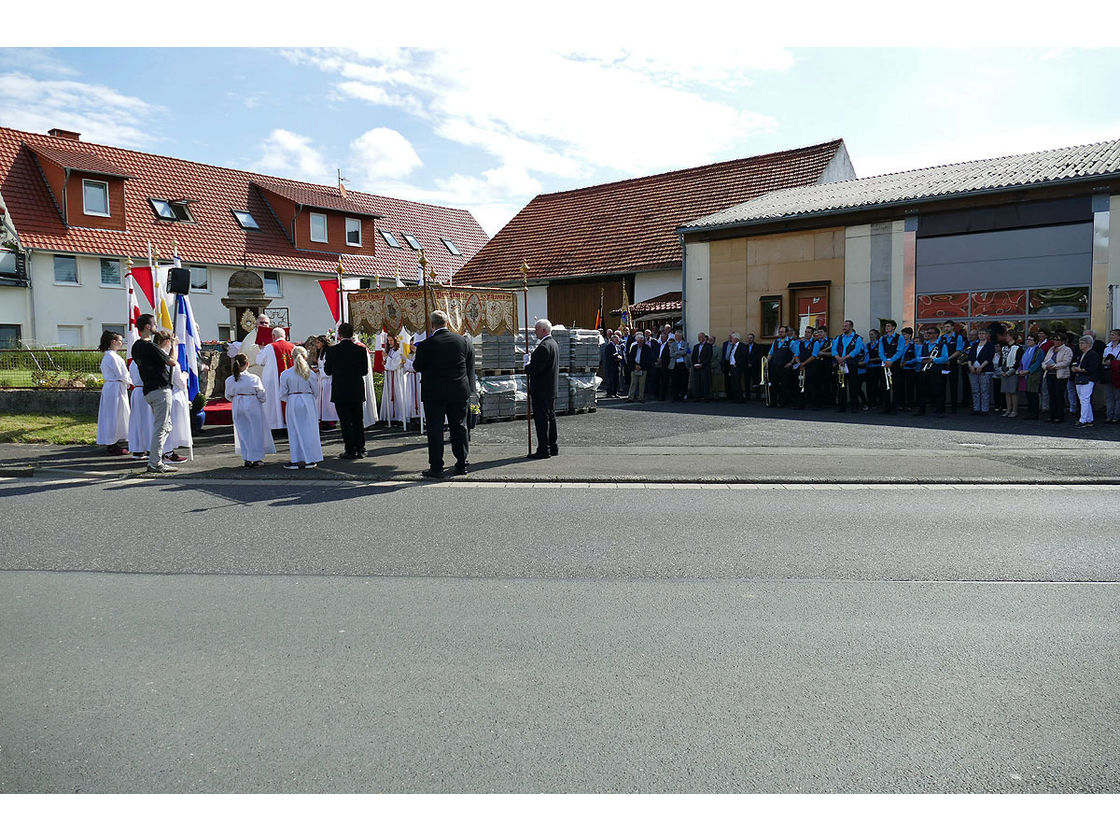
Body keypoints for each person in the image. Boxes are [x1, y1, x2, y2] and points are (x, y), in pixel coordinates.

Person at [412, 309, 475, 477]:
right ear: (447, 323)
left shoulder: (426, 345)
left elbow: (417, 366)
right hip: (458, 390)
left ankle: (437, 467)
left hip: (435, 393)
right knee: (460, 427)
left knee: (435, 430)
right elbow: (469, 364)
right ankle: (462, 464)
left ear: (432, 325)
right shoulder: (463, 341)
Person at [130, 315, 179, 473]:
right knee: (161, 427)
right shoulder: (150, 346)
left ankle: (155, 458)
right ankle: (155, 462)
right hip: (159, 389)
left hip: (149, 390)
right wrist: (174, 346)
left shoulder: (135, 347)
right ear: (147, 327)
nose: (156, 327)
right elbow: (172, 362)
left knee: (166, 426)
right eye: (154, 324)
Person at [324, 321, 369, 459]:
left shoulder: (332, 350)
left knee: (345, 421)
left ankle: (350, 449)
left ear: (339, 334)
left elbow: (327, 371)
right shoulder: (360, 350)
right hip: (355, 388)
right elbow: (364, 371)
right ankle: (361, 448)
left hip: (340, 389)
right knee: (357, 420)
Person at [224, 353, 274, 467]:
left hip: (237, 403)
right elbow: (261, 394)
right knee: (255, 431)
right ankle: (257, 458)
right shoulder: (253, 378)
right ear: (247, 364)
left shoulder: (230, 380)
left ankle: (246, 457)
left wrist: (237, 399)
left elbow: (228, 395)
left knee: (243, 431)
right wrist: (260, 400)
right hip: (252, 403)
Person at [279, 346, 323, 468]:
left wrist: (292, 399)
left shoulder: (285, 374)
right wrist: (307, 398)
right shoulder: (310, 373)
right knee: (309, 430)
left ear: (292, 357)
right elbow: (316, 391)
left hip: (293, 400)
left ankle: (296, 459)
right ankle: (310, 459)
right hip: (307, 400)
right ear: (305, 357)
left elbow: (282, 393)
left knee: (294, 431)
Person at [525, 318, 560, 459]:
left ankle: (543, 449)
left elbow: (535, 368)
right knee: (550, 418)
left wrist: (526, 365)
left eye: (536, 329)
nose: (535, 332)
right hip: (550, 388)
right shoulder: (553, 344)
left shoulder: (544, 346)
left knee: (541, 420)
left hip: (541, 390)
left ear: (544, 330)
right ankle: (553, 446)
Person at [95, 330, 130, 455]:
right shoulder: (112, 356)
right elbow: (122, 374)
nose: (122, 343)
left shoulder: (110, 356)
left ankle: (115, 440)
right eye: (120, 341)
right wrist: (132, 381)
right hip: (114, 388)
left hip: (114, 387)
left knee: (117, 415)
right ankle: (112, 442)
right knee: (113, 416)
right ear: (113, 342)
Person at [258, 326, 295, 430]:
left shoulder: (270, 347)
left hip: (273, 381)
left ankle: (275, 425)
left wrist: (261, 349)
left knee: (273, 402)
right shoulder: (293, 347)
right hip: (290, 381)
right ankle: (288, 424)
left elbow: (260, 361)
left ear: (273, 336)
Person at [831, 321, 864, 413]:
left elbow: (857, 350)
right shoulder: (839, 337)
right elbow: (834, 349)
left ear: (851, 327)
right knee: (841, 385)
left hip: (851, 364)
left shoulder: (857, 338)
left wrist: (844, 358)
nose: (844, 328)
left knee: (853, 385)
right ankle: (842, 406)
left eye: (846, 326)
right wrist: (838, 358)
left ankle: (854, 406)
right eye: (843, 326)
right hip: (840, 364)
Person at [1041, 332, 1073, 423]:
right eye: (1054, 339)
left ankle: (1059, 415)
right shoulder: (1051, 349)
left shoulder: (1067, 350)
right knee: (1051, 395)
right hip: (1049, 374)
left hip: (1060, 376)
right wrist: (1045, 366)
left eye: (1058, 340)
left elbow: (1066, 362)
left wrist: (1054, 366)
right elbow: (1044, 361)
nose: (1055, 341)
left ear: (1063, 341)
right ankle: (1052, 415)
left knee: (1059, 395)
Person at [126, 356, 152, 459]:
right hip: (145, 390)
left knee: (137, 421)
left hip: (137, 391)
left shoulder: (133, 362)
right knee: (149, 421)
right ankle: (150, 448)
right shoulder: (146, 360)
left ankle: (138, 449)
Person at [1071, 335, 1100, 428]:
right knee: (1083, 399)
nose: (1080, 345)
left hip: (1088, 379)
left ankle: (1083, 419)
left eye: (1082, 343)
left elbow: (1093, 368)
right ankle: (1089, 418)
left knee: (1085, 399)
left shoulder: (1093, 355)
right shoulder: (1081, 355)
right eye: (1079, 343)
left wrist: (1080, 370)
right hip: (1079, 378)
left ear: (1088, 344)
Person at [878, 320, 906, 415]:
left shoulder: (899, 338)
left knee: (896, 386)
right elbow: (880, 351)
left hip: (895, 365)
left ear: (894, 327)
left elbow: (900, 351)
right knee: (885, 385)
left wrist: (891, 361)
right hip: (885, 364)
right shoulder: (882, 338)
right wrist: (885, 360)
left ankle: (895, 406)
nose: (887, 328)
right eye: (886, 326)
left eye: (889, 326)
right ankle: (886, 406)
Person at [966, 328, 996, 415]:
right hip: (973, 370)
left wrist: (981, 367)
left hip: (985, 370)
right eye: (980, 334)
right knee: (975, 390)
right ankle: (976, 408)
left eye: (983, 333)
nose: (981, 335)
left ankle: (984, 409)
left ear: (987, 335)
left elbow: (989, 358)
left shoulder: (990, 346)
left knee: (984, 390)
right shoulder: (975, 345)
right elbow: (970, 357)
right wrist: (970, 365)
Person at [379, 333, 407, 427]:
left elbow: (395, 365)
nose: (389, 342)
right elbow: (388, 365)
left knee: (397, 395)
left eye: (391, 340)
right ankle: (390, 417)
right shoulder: (389, 351)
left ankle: (399, 417)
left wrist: (387, 358)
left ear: (395, 341)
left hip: (395, 377)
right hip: (389, 376)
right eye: (388, 340)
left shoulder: (398, 352)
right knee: (389, 396)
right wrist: (385, 362)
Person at [1016, 333, 1045, 420]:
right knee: (1028, 394)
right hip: (1025, 376)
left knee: (1033, 394)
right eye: (1027, 339)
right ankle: (1030, 412)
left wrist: (1028, 370)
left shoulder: (1039, 351)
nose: (1028, 341)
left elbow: (1038, 363)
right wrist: (1020, 369)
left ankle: (1034, 413)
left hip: (1033, 375)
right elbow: (1022, 362)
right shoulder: (1027, 350)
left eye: (1030, 340)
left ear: (1035, 341)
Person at [998, 331, 1022, 418]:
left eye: (1008, 336)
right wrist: (1001, 370)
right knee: (1006, 392)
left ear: (1013, 337)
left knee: (1013, 392)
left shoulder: (1018, 348)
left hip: (1012, 372)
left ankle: (1014, 410)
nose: (1006, 337)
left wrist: (1009, 372)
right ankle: (1008, 409)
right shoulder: (1004, 347)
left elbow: (1018, 362)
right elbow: (1001, 360)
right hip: (1004, 371)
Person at [627, 331, 654, 403]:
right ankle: (630, 397)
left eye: (641, 342)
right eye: (639, 342)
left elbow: (648, 359)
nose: (640, 343)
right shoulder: (634, 347)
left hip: (643, 368)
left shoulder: (647, 348)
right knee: (633, 383)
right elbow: (630, 358)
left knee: (642, 384)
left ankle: (641, 397)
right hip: (634, 367)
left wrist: (641, 366)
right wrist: (635, 365)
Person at [1101, 329, 1120, 424]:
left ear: (1118, 337)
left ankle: (1116, 416)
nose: (1111, 336)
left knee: (1117, 396)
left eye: (1113, 335)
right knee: (1109, 396)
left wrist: (1112, 363)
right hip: (1108, 373)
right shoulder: (1107, 347)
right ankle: (1109, 415)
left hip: (1117, 374)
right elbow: (1103, 361)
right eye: (1111, 335)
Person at [720, 332, 746, 402]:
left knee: (737, 383)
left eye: (732, 338)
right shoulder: (733, 346)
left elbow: (743, 357)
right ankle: (735, 397)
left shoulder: (742, 346)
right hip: (731, 367)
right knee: (733, 383)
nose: (731, 339)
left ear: (736, 339)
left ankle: (739, 398)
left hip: (737, 367)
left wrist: (737, 364)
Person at [690, 332, 713, 402]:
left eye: (700, 337)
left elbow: (709, 357)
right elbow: (693, 357)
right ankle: (697, 397)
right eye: (698, 337)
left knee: (705, 383)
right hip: (696, 368)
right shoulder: (696, 346)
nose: (699, 338)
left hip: (704, 368)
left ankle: (706, 397)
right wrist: (694, 364)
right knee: (697, 383)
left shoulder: (708, 346)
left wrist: (702, 364)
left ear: (704, 338)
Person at [668, 330, 689, 401]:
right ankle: (675, 396)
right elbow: (671, 354)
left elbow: (685, 352)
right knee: (675, 381)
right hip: (675, 365)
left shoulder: (685, 343)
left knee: (683, 381)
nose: (676, 337)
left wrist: (676, 353)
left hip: (683, 365)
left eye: (677, 336)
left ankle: (683, 395)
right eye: (675, 336)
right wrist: (679, 353)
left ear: (681, 336)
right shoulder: (673, 344)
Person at [600, 333, 621, 397]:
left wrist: (619, 357)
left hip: (616, 365)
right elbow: (608, 356)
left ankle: (615, 392)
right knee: (610, 380)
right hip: (610, 366)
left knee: (616, 380)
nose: (618, 341)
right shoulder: (609, 346)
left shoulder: (617, 346)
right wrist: (616, 357)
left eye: (618, 339)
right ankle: (609, 393)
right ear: (613, 339)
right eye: (616, 339)